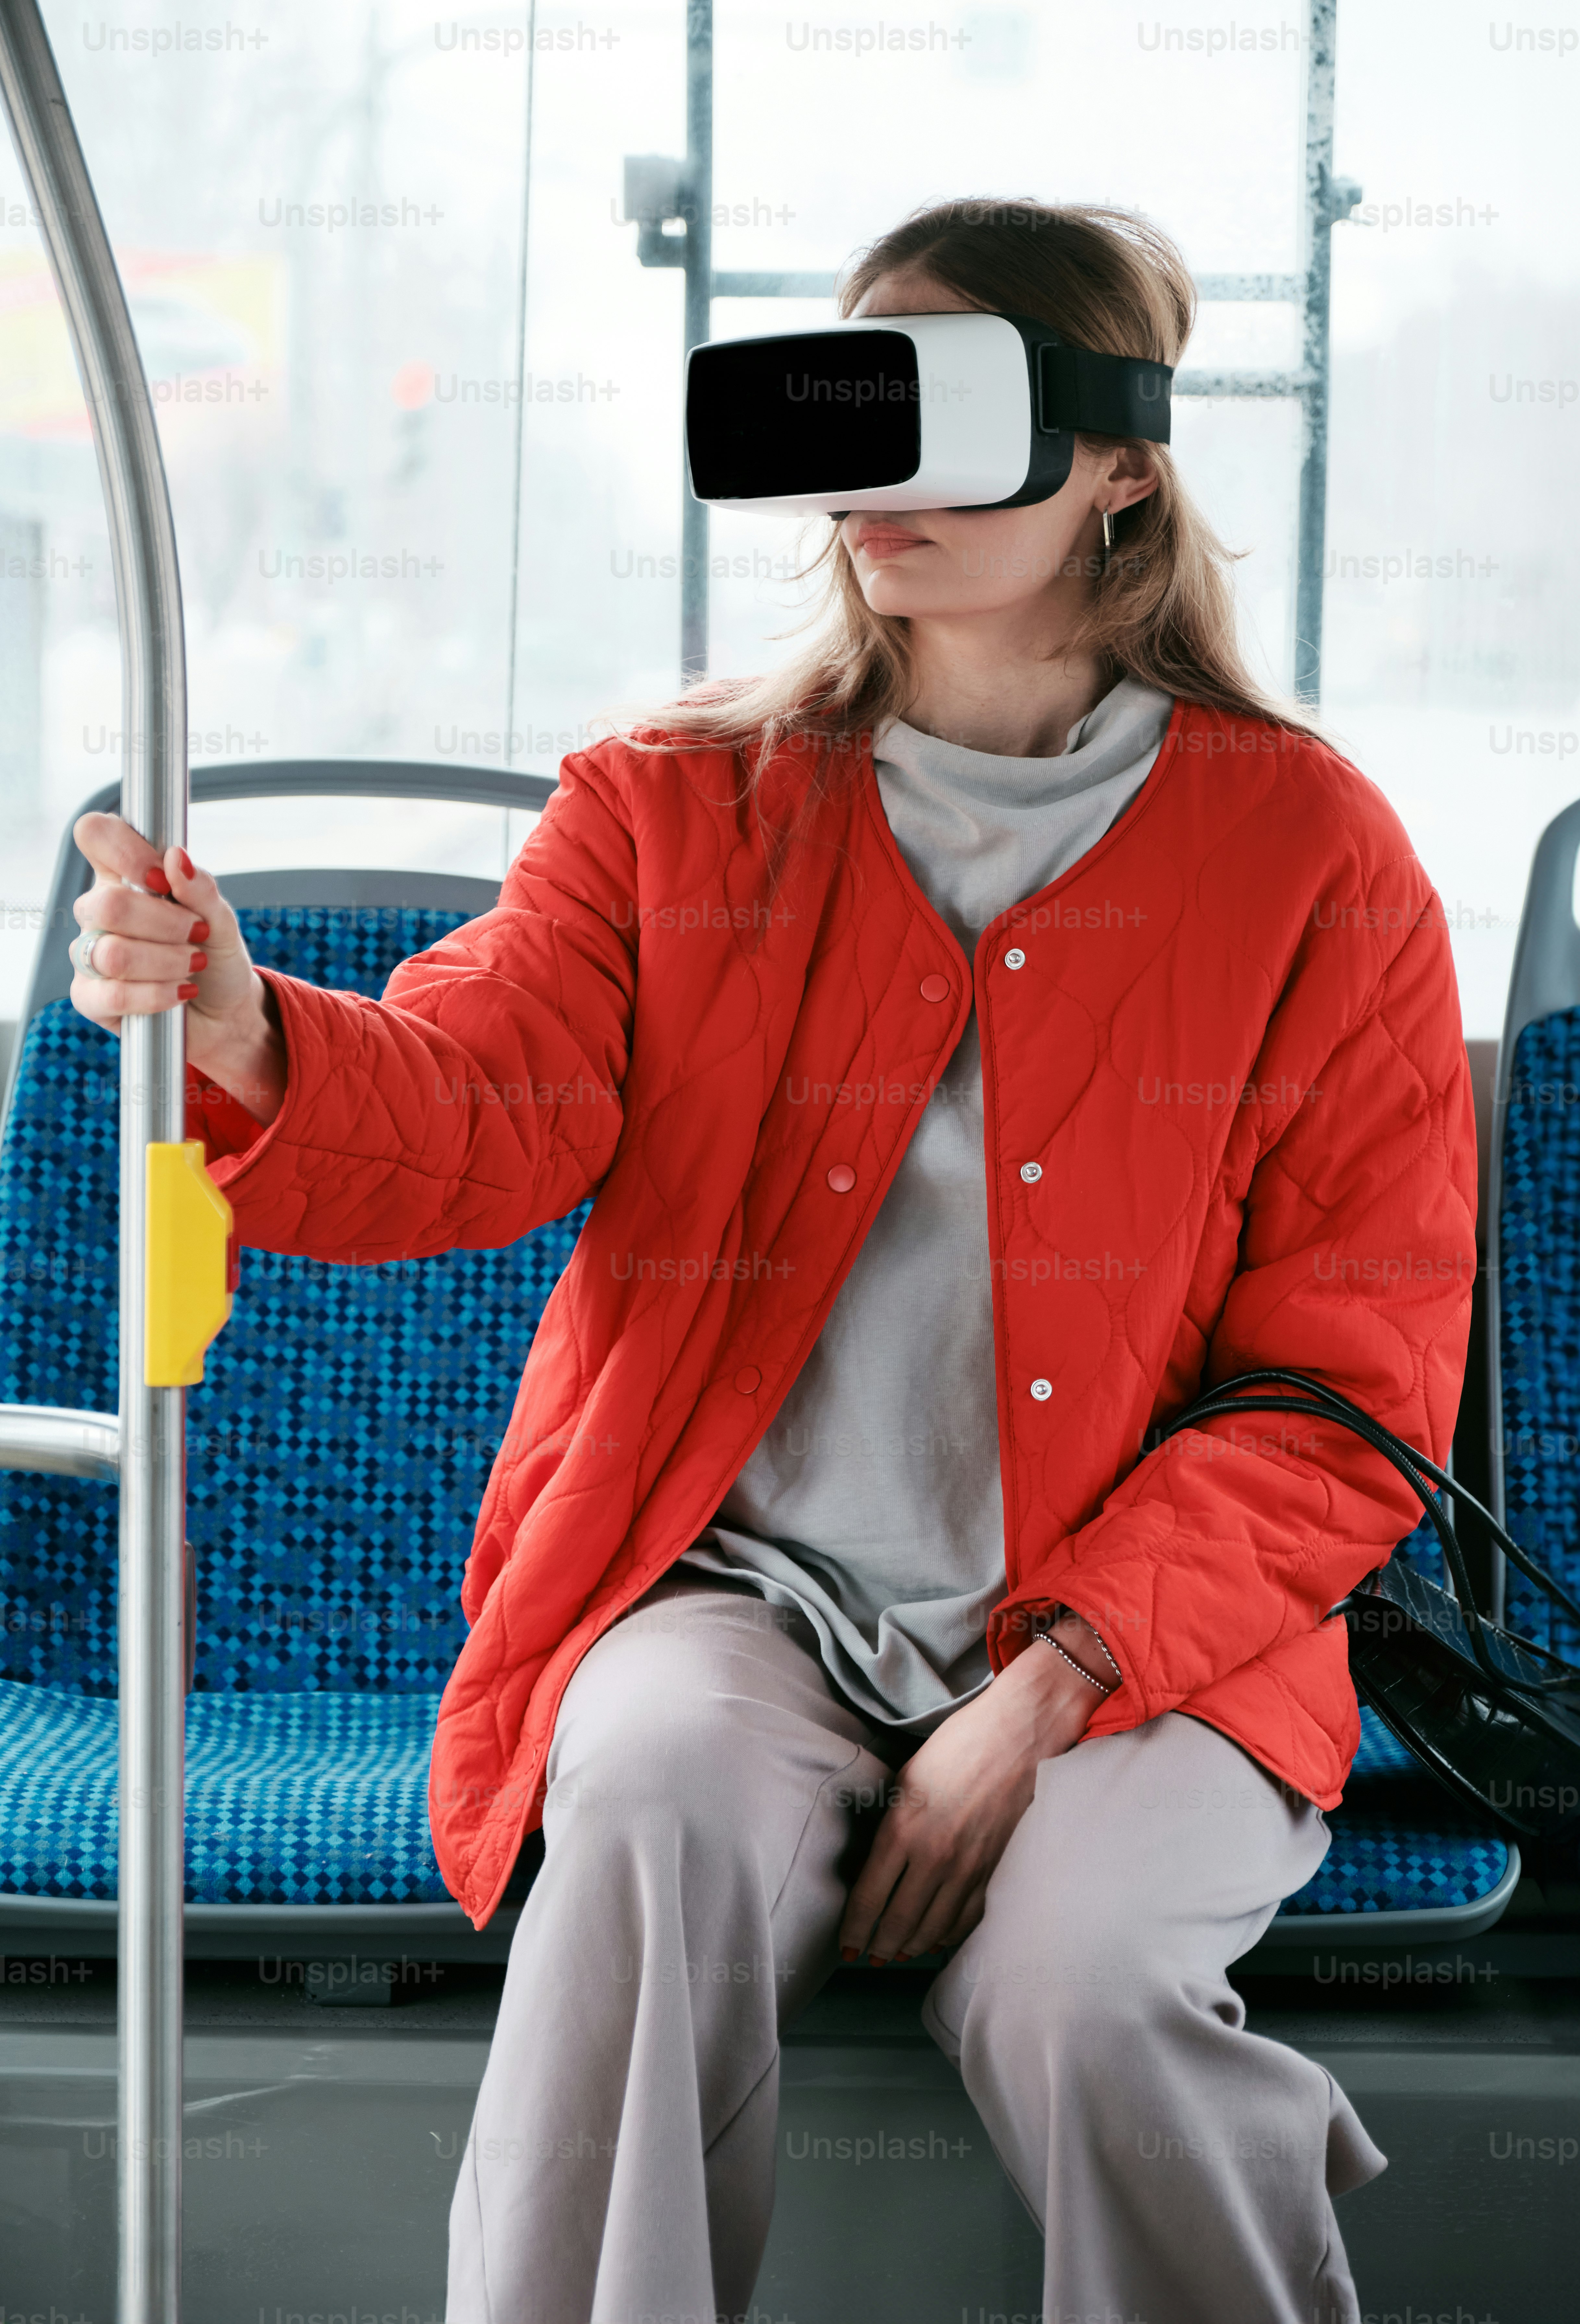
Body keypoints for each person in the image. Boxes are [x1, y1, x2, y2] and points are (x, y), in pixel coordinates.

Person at [68, 199, 1475, 2324]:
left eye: (942, 409)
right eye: (841, 405)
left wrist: (1050, 1687)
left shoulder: (1312, 857)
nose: (869, 483)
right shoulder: (674, 807)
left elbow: (1348, 1391)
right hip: (733, 1601)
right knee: (637, 1809)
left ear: (1116, 461)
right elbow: (475, 1098)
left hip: (1146, 1648)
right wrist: (255, 1030)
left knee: (1091, 1998)